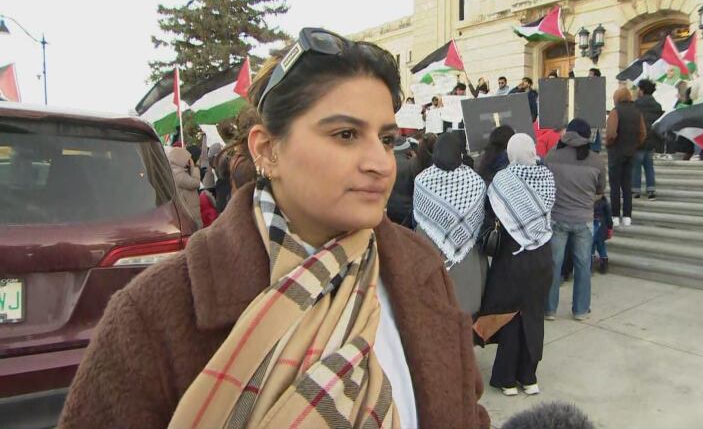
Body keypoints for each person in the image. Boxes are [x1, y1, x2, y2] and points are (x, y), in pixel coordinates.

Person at [58, 27, 489, 429]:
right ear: (267, 150)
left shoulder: (421, 269)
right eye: (345, 135)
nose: (380, 162)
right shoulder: (153, 315)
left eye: (387, 139)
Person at [475, 133, 555, 396]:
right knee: (533, 316)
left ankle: (507, 379)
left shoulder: (503, 180)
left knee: (510, 315)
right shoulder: (546, 178)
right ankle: (529, 377)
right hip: (541, 256)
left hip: (512, 256)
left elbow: (490, 213)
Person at [413, 132, 488, 315]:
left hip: (428, 247)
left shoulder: (422, 180)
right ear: (459, 153)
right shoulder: (476, 182)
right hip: (467, 252)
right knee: (463, 305)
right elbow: (479, 217)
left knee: (433, 305)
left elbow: (418, 216)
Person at [544, 119, 606, 321]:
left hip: (556, 218)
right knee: (583, 266)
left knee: (553, 265)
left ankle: (549, 309)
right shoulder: (597, 161)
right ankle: (580, 310)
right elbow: (600, 191)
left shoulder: (551, 156)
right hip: (584, 220)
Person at [606, 86, 646, 226]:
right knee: (627, 185)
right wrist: (634, 145)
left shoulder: (615, 112)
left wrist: (609, 143)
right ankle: (627, 216)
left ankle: (615, 216)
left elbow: (611, 133)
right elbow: (642, 134)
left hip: (616, 153)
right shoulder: (637, 113)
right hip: (631, 153)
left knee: (615, 185)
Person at [387, 132, 435, 227]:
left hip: (391, 209)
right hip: (408, 213)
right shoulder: (413, 165)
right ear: (408, 150)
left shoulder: (386, 166)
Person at [633, 79, 663, 200]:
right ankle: (651, 190)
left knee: (636, 166)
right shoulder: (657, 106)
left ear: (642, 90)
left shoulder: (635, 104)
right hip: (652, 140)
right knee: (649, 166)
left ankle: (636, 190)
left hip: (638, 140)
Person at [166, 146, 202, 229]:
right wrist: (195, 168)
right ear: (180, 159)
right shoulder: (178, 174)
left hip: (190, 209)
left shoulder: (177, 171)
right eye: (187, 159)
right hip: (190, 212)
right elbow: (195, 183)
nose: (189, 161)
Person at [592, 195, 613, 274]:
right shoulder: (604, 203)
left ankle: (591, 265)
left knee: (592, 245)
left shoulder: (590, 202)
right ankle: (604, 263)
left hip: (593, 225)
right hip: (602, 227)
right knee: (601, 246)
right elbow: (609, 217)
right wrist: (610, 227)